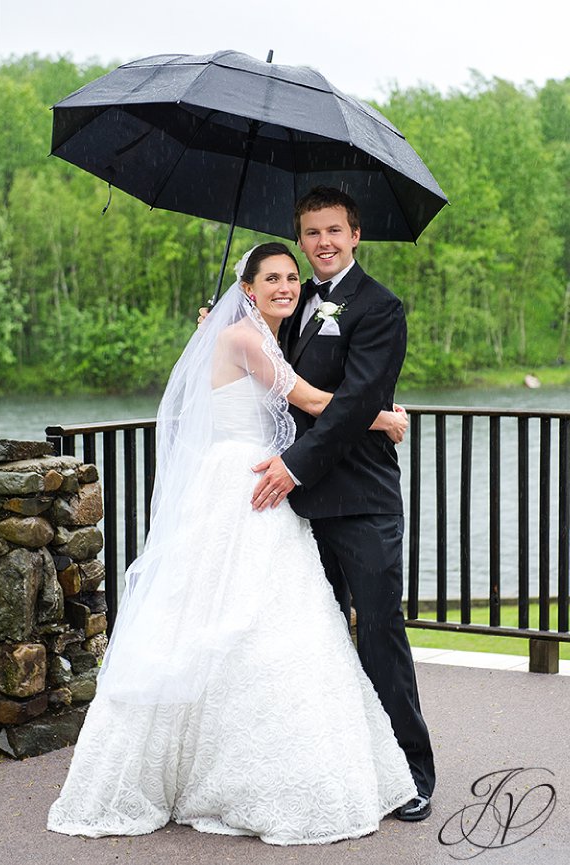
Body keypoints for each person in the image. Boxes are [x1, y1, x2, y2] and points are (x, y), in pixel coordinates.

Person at [47, 243, 417, 844]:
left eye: (292, 277)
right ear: (246, 288)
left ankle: (224, 760)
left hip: (254, 479)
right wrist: (385, 420)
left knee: (250, 621)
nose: (287, 286)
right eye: (271, 277)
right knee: (239, 620)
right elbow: (315, 402)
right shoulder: (246, 340)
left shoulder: (261, 334)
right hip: (245, 484)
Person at [249, 187, 434, 821]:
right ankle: (334, 771)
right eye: (311, 233)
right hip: (297, 511)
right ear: (300, 240)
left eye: (334, 230)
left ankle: (410, 772)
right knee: (316, 642)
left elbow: (357, 402)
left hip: (361, 500)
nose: (322, 243)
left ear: (356, 235)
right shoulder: (291, 304)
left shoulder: (380, 308)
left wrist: (294, 467)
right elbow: (281, 387)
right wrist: (233, 329)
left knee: (379, 632)